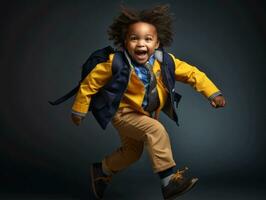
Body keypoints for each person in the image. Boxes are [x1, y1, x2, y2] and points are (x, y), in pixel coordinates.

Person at [71, 5, 226, 200]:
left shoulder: (165, 61)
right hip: (122, 114)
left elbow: (192, 73)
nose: (141, 44)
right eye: (134, 38)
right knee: (156, 130)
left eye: (148, 39)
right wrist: (79, 109)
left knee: (132, 153)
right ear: (125, 41)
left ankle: (102, 169)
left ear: (157, 42)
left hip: (142, 115)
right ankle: (168, 182)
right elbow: (90, 84)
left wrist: (213, 93)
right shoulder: (115, 62)